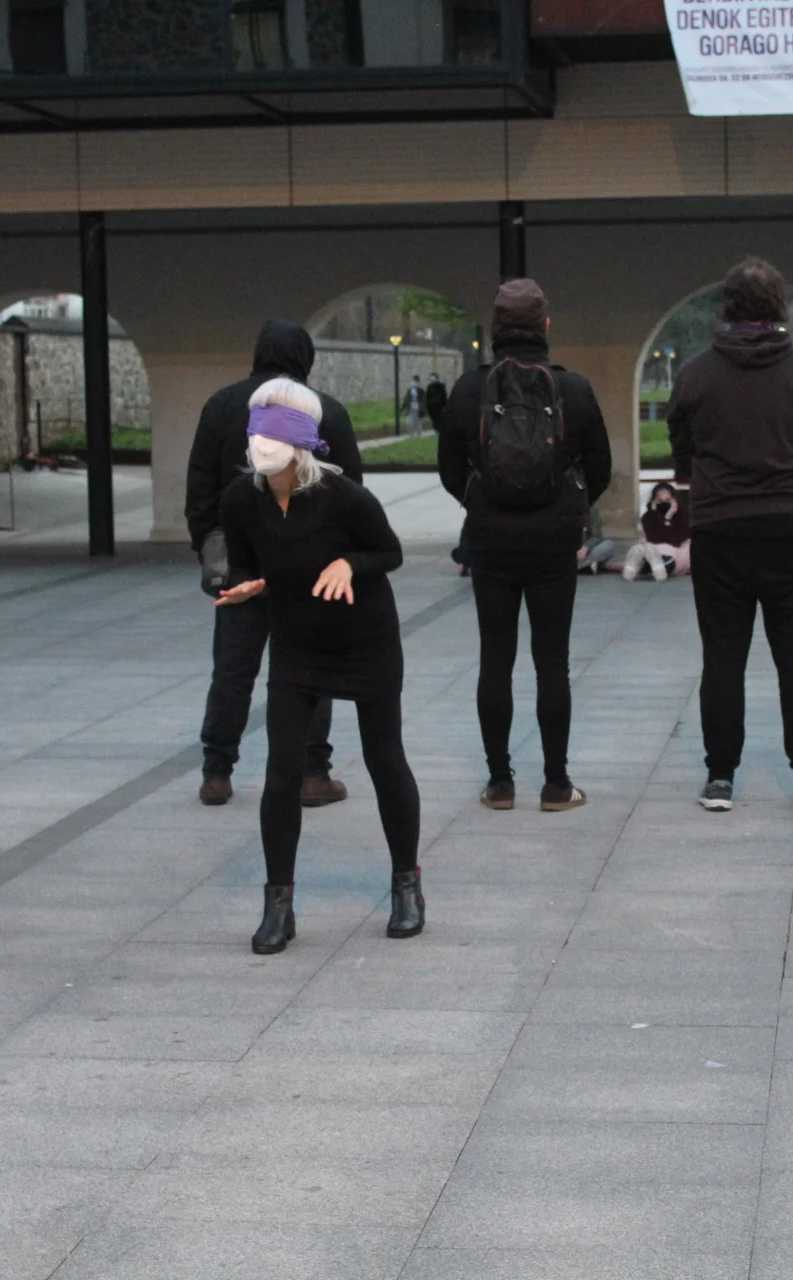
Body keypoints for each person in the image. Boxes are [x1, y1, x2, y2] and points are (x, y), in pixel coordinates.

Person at [217, 378, 422, 953]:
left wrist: (349, 563)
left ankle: (407, 885)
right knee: (283, 771)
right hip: (296, 646)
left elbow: (389, 551)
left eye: (274, 431)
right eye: (257, 430)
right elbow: (242, 564)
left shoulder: (345, 498)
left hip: (365, 641)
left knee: (385, 760)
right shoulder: (241, 500)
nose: (262, 444)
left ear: (302, 442)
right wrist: (245, 586)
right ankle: (278, 904)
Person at [668, 258, 793, 812]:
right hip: (791, 529)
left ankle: (720, 777)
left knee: (722, 657)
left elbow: (681, 445)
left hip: (719, 531)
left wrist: (708, 483)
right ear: (779, 306)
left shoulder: (696, 373)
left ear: (727, 306)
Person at [439, 278, 613, 813]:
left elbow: (448, 470)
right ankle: (557, 784)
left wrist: (480, 501)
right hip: (553, 546)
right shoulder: (574, 389)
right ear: (546, 326)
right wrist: (568, 507)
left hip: (491, 543)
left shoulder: (469, 389)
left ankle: (499, 783)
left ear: (494, 329)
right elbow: (601, 469)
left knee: (495, 659)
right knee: (552, 661)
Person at [185, 320, 363, 808]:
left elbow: (200, 485)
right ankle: (312, 773)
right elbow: (350, 492)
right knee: (311, 668)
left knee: (232, 669)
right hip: (307, 563)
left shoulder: (223, 405)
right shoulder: (325, 411)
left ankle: (217, 772)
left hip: (240, 562)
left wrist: (209, 547)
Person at [622, 480, 690, 581]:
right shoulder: (647, 517)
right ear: (653, 502)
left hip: (676, 551)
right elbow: (656, 540)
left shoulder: (683, 517)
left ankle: (639, 567)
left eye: (668, 500)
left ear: (674, 501)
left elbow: (674, 542)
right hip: (655, 548)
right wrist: (655, 515)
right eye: (659, 500)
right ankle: (652, 566)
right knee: (650, 550)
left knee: (681, 556)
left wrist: (668, 518)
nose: (664, 503)